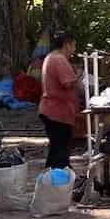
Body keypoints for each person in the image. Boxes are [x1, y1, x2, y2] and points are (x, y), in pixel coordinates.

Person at [39, 31, 79, 169]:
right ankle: (60, 183)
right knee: (61, 152)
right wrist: (78, 77)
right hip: (57, 112)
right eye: (73, 46)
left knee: (56, 150)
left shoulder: (51, 57)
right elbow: (67, 82)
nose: (74, 50)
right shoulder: (59, 59)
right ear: (67, 45)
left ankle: (53, 182)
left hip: (53, 111)